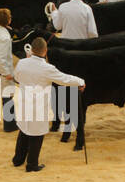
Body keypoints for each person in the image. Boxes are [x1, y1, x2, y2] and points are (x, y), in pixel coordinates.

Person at [10, 37, 85, 173]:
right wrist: (80, 81)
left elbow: (17, 77)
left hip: (23, 101)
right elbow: (64, 79)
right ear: (45, 51)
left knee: (24, 129)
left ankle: (18, 159)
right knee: (36, 134)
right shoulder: (47, 68)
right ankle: (32, 164)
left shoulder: (22, 63)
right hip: (38, 104)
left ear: (31, 50)